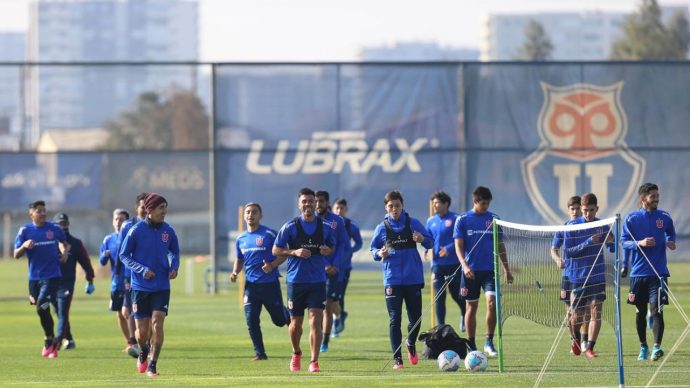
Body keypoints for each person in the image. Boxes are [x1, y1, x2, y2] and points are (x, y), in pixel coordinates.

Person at [273, 188, 336, 373]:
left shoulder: (325, 227)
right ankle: (296, 352)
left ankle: (314, 361)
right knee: (295, 325)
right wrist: (294, 252)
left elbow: (332, 246)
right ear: (299, 204)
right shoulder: (290, 227)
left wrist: (327, 250)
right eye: (304, 201)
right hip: (296, 281)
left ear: (316, 203)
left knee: (315, 320)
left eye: (311, 201)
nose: (308, 204)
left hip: (317, 281)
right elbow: (276, 250)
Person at [370, 190, 433, 369]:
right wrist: (378, 253)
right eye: (391, 206)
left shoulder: (413, 223)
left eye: (397, 205)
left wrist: (422, 239)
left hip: (413, 278)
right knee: (394, 318)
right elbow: (373, 250)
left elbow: (430, 242)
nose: (394, 209)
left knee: (416, 319)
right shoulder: (381, 228)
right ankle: (397, 358)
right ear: (386, 207)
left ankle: (411, 342)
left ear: (402, 205)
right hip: (392, 280)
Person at [120, 193, 180, 377]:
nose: (165, 212)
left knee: (158, 323)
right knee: (142, 332)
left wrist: (174, 267)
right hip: (140, 288)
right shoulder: (136, 231)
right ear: (150, 210)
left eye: (165, 207)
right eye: (161, 208)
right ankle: (143, 350)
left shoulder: (168, 231)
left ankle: (153, 365)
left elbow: (175, 252)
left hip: (161, 286)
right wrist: (141, 269)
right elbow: (124, 255)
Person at [453, 186, 513, 357]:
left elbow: (500, 245)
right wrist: (464, 266)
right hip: (470, 272)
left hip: (490, 271)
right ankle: (471, 343)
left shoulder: (494, 219)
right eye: (483, 204)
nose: (486, 207)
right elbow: (458, 246)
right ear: (475, 201)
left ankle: (489, 341)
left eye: (488, 204)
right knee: (471, 307)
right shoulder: (463, 220)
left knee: (492, 304)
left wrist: (506, 268)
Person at [621, 183, 676, 362]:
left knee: (657, 311)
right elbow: (623, 243)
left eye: (657, 195)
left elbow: (670, 232)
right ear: (643, 198)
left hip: (659, 273)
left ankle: (656, 347)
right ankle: (643, 346)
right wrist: (640, 243)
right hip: (638, 275)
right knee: (640, 311)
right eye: (653, 196)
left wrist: (670, 241)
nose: (657, 199)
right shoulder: (631, 218)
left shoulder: (664, 217)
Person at [230, 202, 290, 361]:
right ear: (244, 216)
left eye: (254, 212)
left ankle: (288, 315)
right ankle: (260, 353)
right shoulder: (240, 239)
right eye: (248, 212)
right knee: (251, 320)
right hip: (250, 287)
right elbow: (239, 258)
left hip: (269, 285)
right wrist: (235, 272)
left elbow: (284, 253)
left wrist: (272, 265)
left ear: (260, 215)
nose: (250, 215)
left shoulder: (269, 234)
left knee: (279, 321)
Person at [13, 200, 69, 358]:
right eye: (39, 211)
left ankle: (50, 342)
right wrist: (24, 246)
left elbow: (64, 243)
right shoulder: (25, 231)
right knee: (41, 309)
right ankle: (50, 339)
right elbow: (15, 255)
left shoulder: (54, 228)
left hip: (52, 277)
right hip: (34, 280)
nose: (43, 213)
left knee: (42, 304)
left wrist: (64, 253)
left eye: (44, 210)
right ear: (31, 214)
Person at [562, 193, 613, 359]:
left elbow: (612, 248)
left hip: (597, 276)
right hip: (577, 277)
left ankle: (590, 347)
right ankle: (575, 339)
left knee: (596, 311)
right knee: (576, 316)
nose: (587, 214)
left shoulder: (602, 225)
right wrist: (589, 241)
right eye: (585, 210)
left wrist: (611, 241)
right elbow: (568, 253)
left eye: (591, 210)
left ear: (597, 209)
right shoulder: (572, 226)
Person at [550, 195, 590, 355]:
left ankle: (585, 339)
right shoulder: (564, 228)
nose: (575, 211)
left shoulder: (587, 226)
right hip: (568, 275)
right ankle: (574, 340)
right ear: (568, 210)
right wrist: (557, 259)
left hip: (584, 273)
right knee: (570, 311)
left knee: (585, 309)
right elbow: (553, 249)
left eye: (577, 208)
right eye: (572, 209)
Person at [52, 213, 96, 350]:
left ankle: (57, 342)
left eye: (64, 224)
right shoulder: (50, 243)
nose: (62, 227)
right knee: (59, 312)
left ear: (68, 225)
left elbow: (85, 262)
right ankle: (69, 339)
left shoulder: (75, 243)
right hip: (51, 283)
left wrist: (90, 279)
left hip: (67, 283)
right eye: (59, 224)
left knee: (63, 312)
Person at [100, 208, 139, 357]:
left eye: (121, 219)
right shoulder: (108, 239)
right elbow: (102, 262)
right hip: (116, 282)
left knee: (128, 311)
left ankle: (134, 341)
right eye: (116, 219)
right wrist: (105, 254)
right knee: (120, 314)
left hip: (129, 281)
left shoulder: (130, 236)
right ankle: (129, 343)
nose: (118, 222)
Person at [425, 191, 466, 332]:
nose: (434, 206)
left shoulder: (456, 219)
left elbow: (462, 239)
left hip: (454, 264)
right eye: (433, 203)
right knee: (439, 296)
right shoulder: (431, 221)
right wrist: (426, 250)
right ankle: (440, 327)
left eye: (437, 203)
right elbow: (427, 239)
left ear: (446, 204)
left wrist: (449, 248)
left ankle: (464, 314)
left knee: (457, 295)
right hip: (437, 266)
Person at [314, 190, 348, 353]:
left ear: (327, 203)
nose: (318, 204)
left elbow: (342, 244)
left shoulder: (337, 221)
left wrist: (335, 264)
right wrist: (324, 264)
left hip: (333, 271)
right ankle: (340, 316)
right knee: (316, 308)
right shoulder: (309, 221)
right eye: (315, 201)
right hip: (314, 270)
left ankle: (325, 340)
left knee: (327, 305)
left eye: (321, 201)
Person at [118, 192, 149, 357]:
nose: (145, 210)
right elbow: (122, 255)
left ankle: (145, 346)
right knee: (130, 312)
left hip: (152, 279)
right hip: (132, 278)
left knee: (152, 317)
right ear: (136, 208)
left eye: (148, 207)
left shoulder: (157, 226)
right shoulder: (128, 226)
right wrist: (121, 276)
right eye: (143, 207)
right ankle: (135, 343)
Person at [331, 198, 362, 336]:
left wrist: (349, 250)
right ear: (332, 209)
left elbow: (359, 243)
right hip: (327, 267)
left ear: (346, 210)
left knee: (338, 297)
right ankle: (338, 317)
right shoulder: (326, 223)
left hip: (344, 268)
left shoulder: (350, 225)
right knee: (326, 298)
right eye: (337, 208)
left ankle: (337, 322)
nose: (339, 211)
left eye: (342, 208)